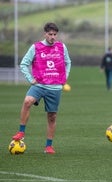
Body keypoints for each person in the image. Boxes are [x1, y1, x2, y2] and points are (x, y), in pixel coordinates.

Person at [11, 22, 71, 154]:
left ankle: (48, 146)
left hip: (55, 87)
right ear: (45, 34)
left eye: (55, 34)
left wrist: (64, 77)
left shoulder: (61, 47)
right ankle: (21, 132)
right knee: (27, 101)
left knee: (52, 116)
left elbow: (68, 62)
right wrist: (30, 79)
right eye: (50, 34)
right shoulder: (36, 47)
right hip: (39, 85)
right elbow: (24, 64)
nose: (53, 37)